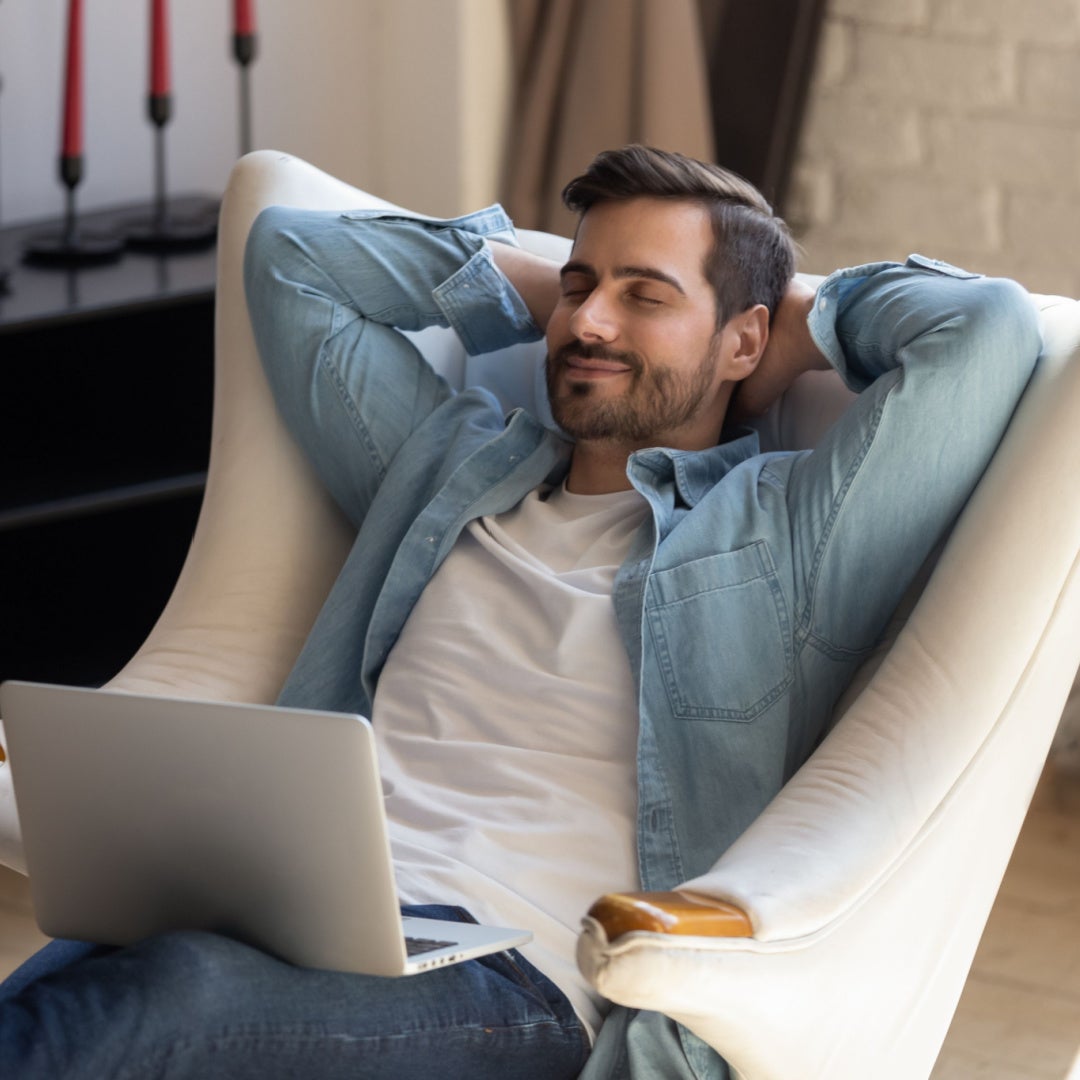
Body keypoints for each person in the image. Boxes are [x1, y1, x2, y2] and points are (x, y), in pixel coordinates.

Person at [0, 146, 1041, 1079]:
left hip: (512, 979)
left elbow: (984, 335)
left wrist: (790, 323)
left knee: (166, 1001)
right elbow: (289, 259)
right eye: (581, 289)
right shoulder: (445, 464)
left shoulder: (779, 539)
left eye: (645, 296)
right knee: (83, 987)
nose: (589, 322)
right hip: (292, 909)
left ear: (743, 343)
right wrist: (553, 281)